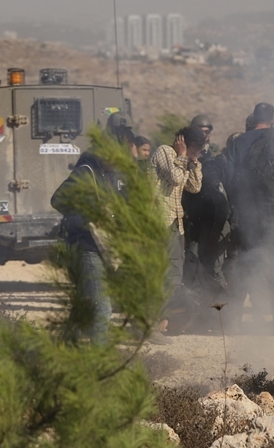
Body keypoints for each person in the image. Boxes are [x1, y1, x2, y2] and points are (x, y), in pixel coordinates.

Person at [223, 102, 274, 331]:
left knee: (248, 266)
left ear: (253, 118)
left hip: (247, 215)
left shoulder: (238, 142)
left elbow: (229, 181)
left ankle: (243, 322)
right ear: (272, 118)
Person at [51, 126, 134, 345]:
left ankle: (66, 347)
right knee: (102, 306)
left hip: (105, 246)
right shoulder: (85, 172)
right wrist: (87, 214)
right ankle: (101, 359)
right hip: (86, 246)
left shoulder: (111, 176)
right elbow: (58, 200)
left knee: (86, 301)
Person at [148, 125, 205, 343]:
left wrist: (194, 163)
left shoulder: (186, 160)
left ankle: (159, 321)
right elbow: (175, 178)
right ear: (181, 141)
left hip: (174, 224)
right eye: (194, 148)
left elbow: (194, 186)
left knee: (171, 277)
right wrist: (182, 156)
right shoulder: (165, 152)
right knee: (159, 276)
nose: (196, 152)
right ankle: (149, 324)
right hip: (158, 222)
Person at [182, 114, 229, 302]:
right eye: (201, 132)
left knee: (213, 270)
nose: (205, 136)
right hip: (190, 222)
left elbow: (221, 198)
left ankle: (222, 315)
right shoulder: (182, 157)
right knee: (190, 268)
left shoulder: (213, 161)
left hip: (211, 223)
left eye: (207, 133)